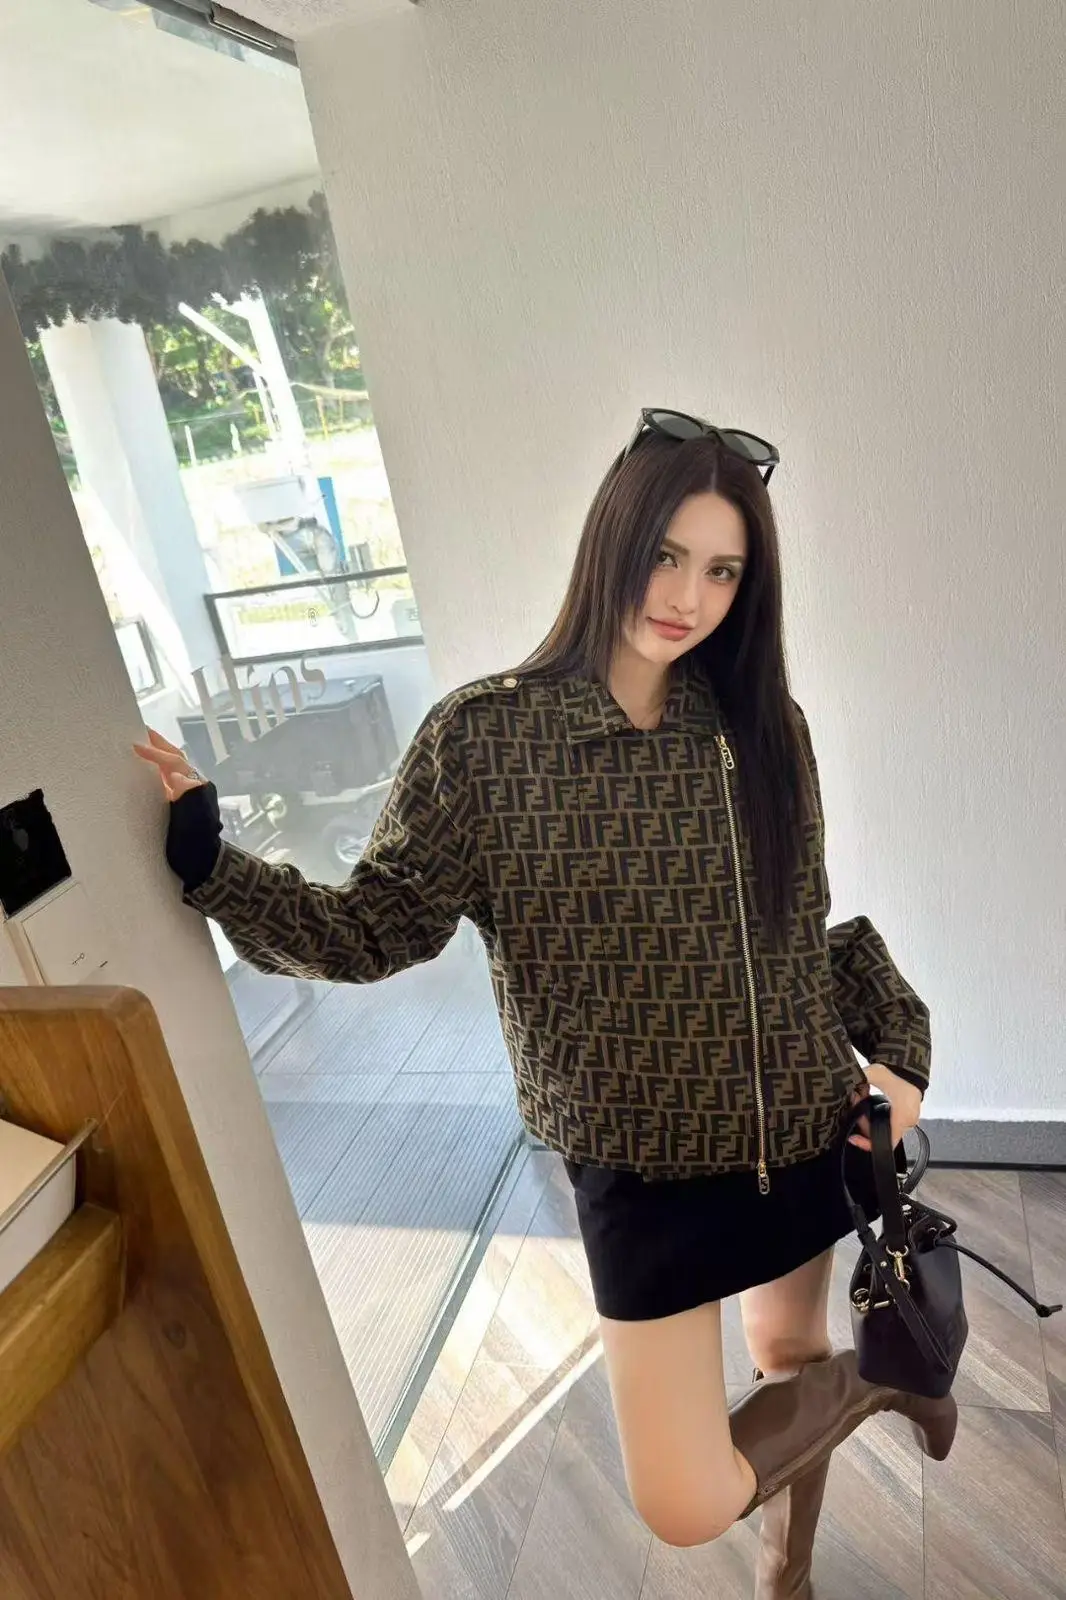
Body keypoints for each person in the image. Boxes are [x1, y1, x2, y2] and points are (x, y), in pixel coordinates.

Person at [136, 408, 953, 1599]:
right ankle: (887, 1378)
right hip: (641, 1175)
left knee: (789, 1352)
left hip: (795, 1130)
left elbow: (800, 935)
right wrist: (214, 866)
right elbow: (374, 927)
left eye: (723, 571)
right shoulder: (482, 740)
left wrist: (899, 1055)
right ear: (611, 536)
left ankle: (787, 1571)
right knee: (682, 1498)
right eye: (666, 554)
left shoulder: (761, 729)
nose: (687, 596)